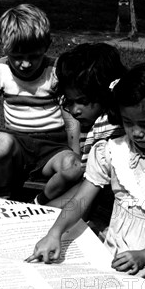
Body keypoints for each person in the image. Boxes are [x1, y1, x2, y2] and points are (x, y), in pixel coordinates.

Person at [27, 62, 145, 284]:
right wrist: (55, 233)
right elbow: (81, 199)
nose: (136, 132)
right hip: (116, 249)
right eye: (128, 122)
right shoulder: (111, 151)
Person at [0, 3, 81, 199]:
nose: (25, 64)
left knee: (71, 165)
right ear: (5, 46)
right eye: (17, 56)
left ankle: (46, 200)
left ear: (47, 45)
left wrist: (76, 155)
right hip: (18, 146)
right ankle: (3, 194)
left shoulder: (56, 70)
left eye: (34, 56)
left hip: (53, 148)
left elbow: (71, 119)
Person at [34, 42, 128, 206]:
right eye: (70, 102)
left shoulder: (109, 129)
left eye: (82, 101)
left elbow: (88, 191)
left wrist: (49, 210)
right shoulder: (95, 122)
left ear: (105, 93)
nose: (75, 110)